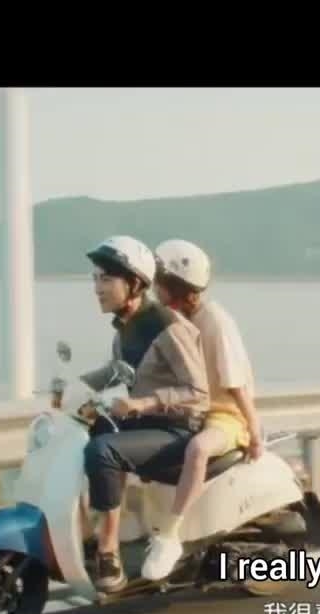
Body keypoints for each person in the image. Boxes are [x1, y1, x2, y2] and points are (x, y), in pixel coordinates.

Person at [82, 234, 212, 592]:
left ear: (135, 283)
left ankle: (108, 551)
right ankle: (91, 532)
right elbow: (118, 372)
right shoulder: (125, 329)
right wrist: (72, 393)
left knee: (103, 450)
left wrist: (143, 403)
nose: (98, 288)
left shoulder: (168, 326)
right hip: (147, 426)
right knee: (87, 436)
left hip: (178, 433)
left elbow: (199, 392)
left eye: (107, 279)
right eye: (95, 279)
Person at [140, 238, 263, 581]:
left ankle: (169, 536)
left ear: (176, 286)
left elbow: (235, 383)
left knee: (197, 449)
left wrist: (253, 428)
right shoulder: (172, 319)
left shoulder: (215, 321)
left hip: (224, 415)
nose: (155, 290)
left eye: (160, 283)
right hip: (189, 411)